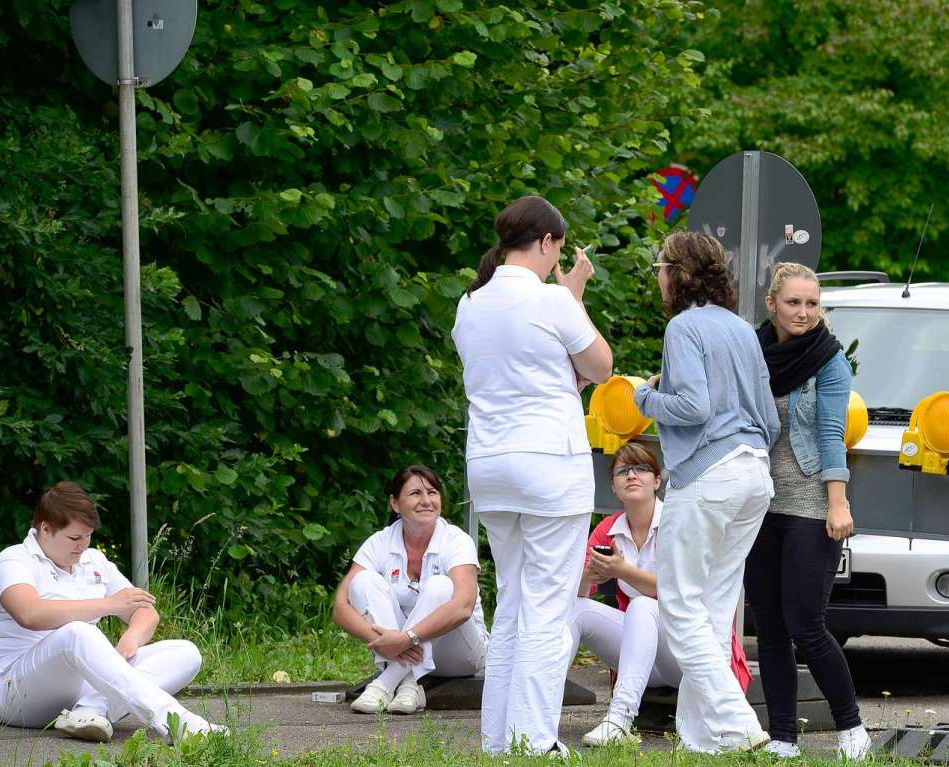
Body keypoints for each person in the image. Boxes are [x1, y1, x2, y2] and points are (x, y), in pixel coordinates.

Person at [452, 195, 613, 755]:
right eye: (557, 251)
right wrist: (575, 296)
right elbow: (600, 366)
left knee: (514, 604)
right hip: (548, 464)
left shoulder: (469, 303)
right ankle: (533, 739)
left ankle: (499, 739)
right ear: (547, 243)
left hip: (490, 467)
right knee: (548, 605)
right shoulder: (552, 300)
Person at [633, 231, 780, 753]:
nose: (659, 276)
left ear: (681, 274)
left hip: (708, 477)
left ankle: (739, 725)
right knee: (715, 611)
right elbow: (768, 418)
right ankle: (703, 738)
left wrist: (647, 398)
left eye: (661, 267)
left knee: (678, 606)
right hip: (754, 474)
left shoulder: (683, 328)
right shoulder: (742, 330)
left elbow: (693, 409)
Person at [0, 482, 225, 743]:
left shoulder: (93, 560)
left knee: (185, 652)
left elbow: (145, 611)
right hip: (16, 692)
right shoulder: (13, 560)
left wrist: (131, 639)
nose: (82, 546)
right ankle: (180, 724)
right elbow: (29, 613)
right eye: (74, 538)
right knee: (77, 632)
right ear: (46, 529)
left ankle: (88, 711)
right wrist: (109, 605)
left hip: (83, 685)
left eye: (88, 536)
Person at [745, 262, 870, 759]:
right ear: (772, 304)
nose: (803, 312)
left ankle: (851, 728)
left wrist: (837, 504)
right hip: (756, 502)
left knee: (806, 623)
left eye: (812, 303)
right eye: (793, 303)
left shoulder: (829, 361)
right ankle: (782, 738)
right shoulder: (753, 353)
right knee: (769, 627)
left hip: (810, 504)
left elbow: (831, 436)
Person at [568, 442, 753, 747]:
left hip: (691, 653)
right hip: (645, 658)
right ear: (613, 486)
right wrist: (586, 577)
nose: (632, 475)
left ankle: (620, 718)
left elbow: (678, 591)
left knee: (642, 606)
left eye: (641, 468)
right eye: (622, 471)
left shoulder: (678, 521)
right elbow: (580, 591)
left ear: (657, 481)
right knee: (577, 607)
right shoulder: (607, 529)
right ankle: (542, 709)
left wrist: (622, 570)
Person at [333, 465, 487, 715]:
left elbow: (463, 606)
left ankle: (384, 684)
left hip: (459, 654)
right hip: (397, 648)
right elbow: (340, 607)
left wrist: (406, 639)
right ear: (395, 503)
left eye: (433, 492)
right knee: (362, 582)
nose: (426, 500)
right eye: (415, 493)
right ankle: (408, 683)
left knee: (441, 586)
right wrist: (382, 643)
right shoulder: (380, 541)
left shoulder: (456, 540)